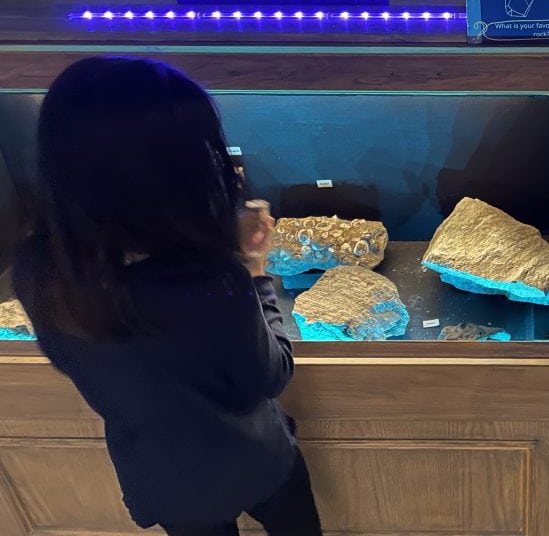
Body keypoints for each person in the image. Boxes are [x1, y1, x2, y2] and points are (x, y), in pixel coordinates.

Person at [13, 56, 322, 536]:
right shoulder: (210, 283)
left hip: (163, 478)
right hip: (254, 462)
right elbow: (269, 375)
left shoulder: (38, 270)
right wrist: (255, 271)